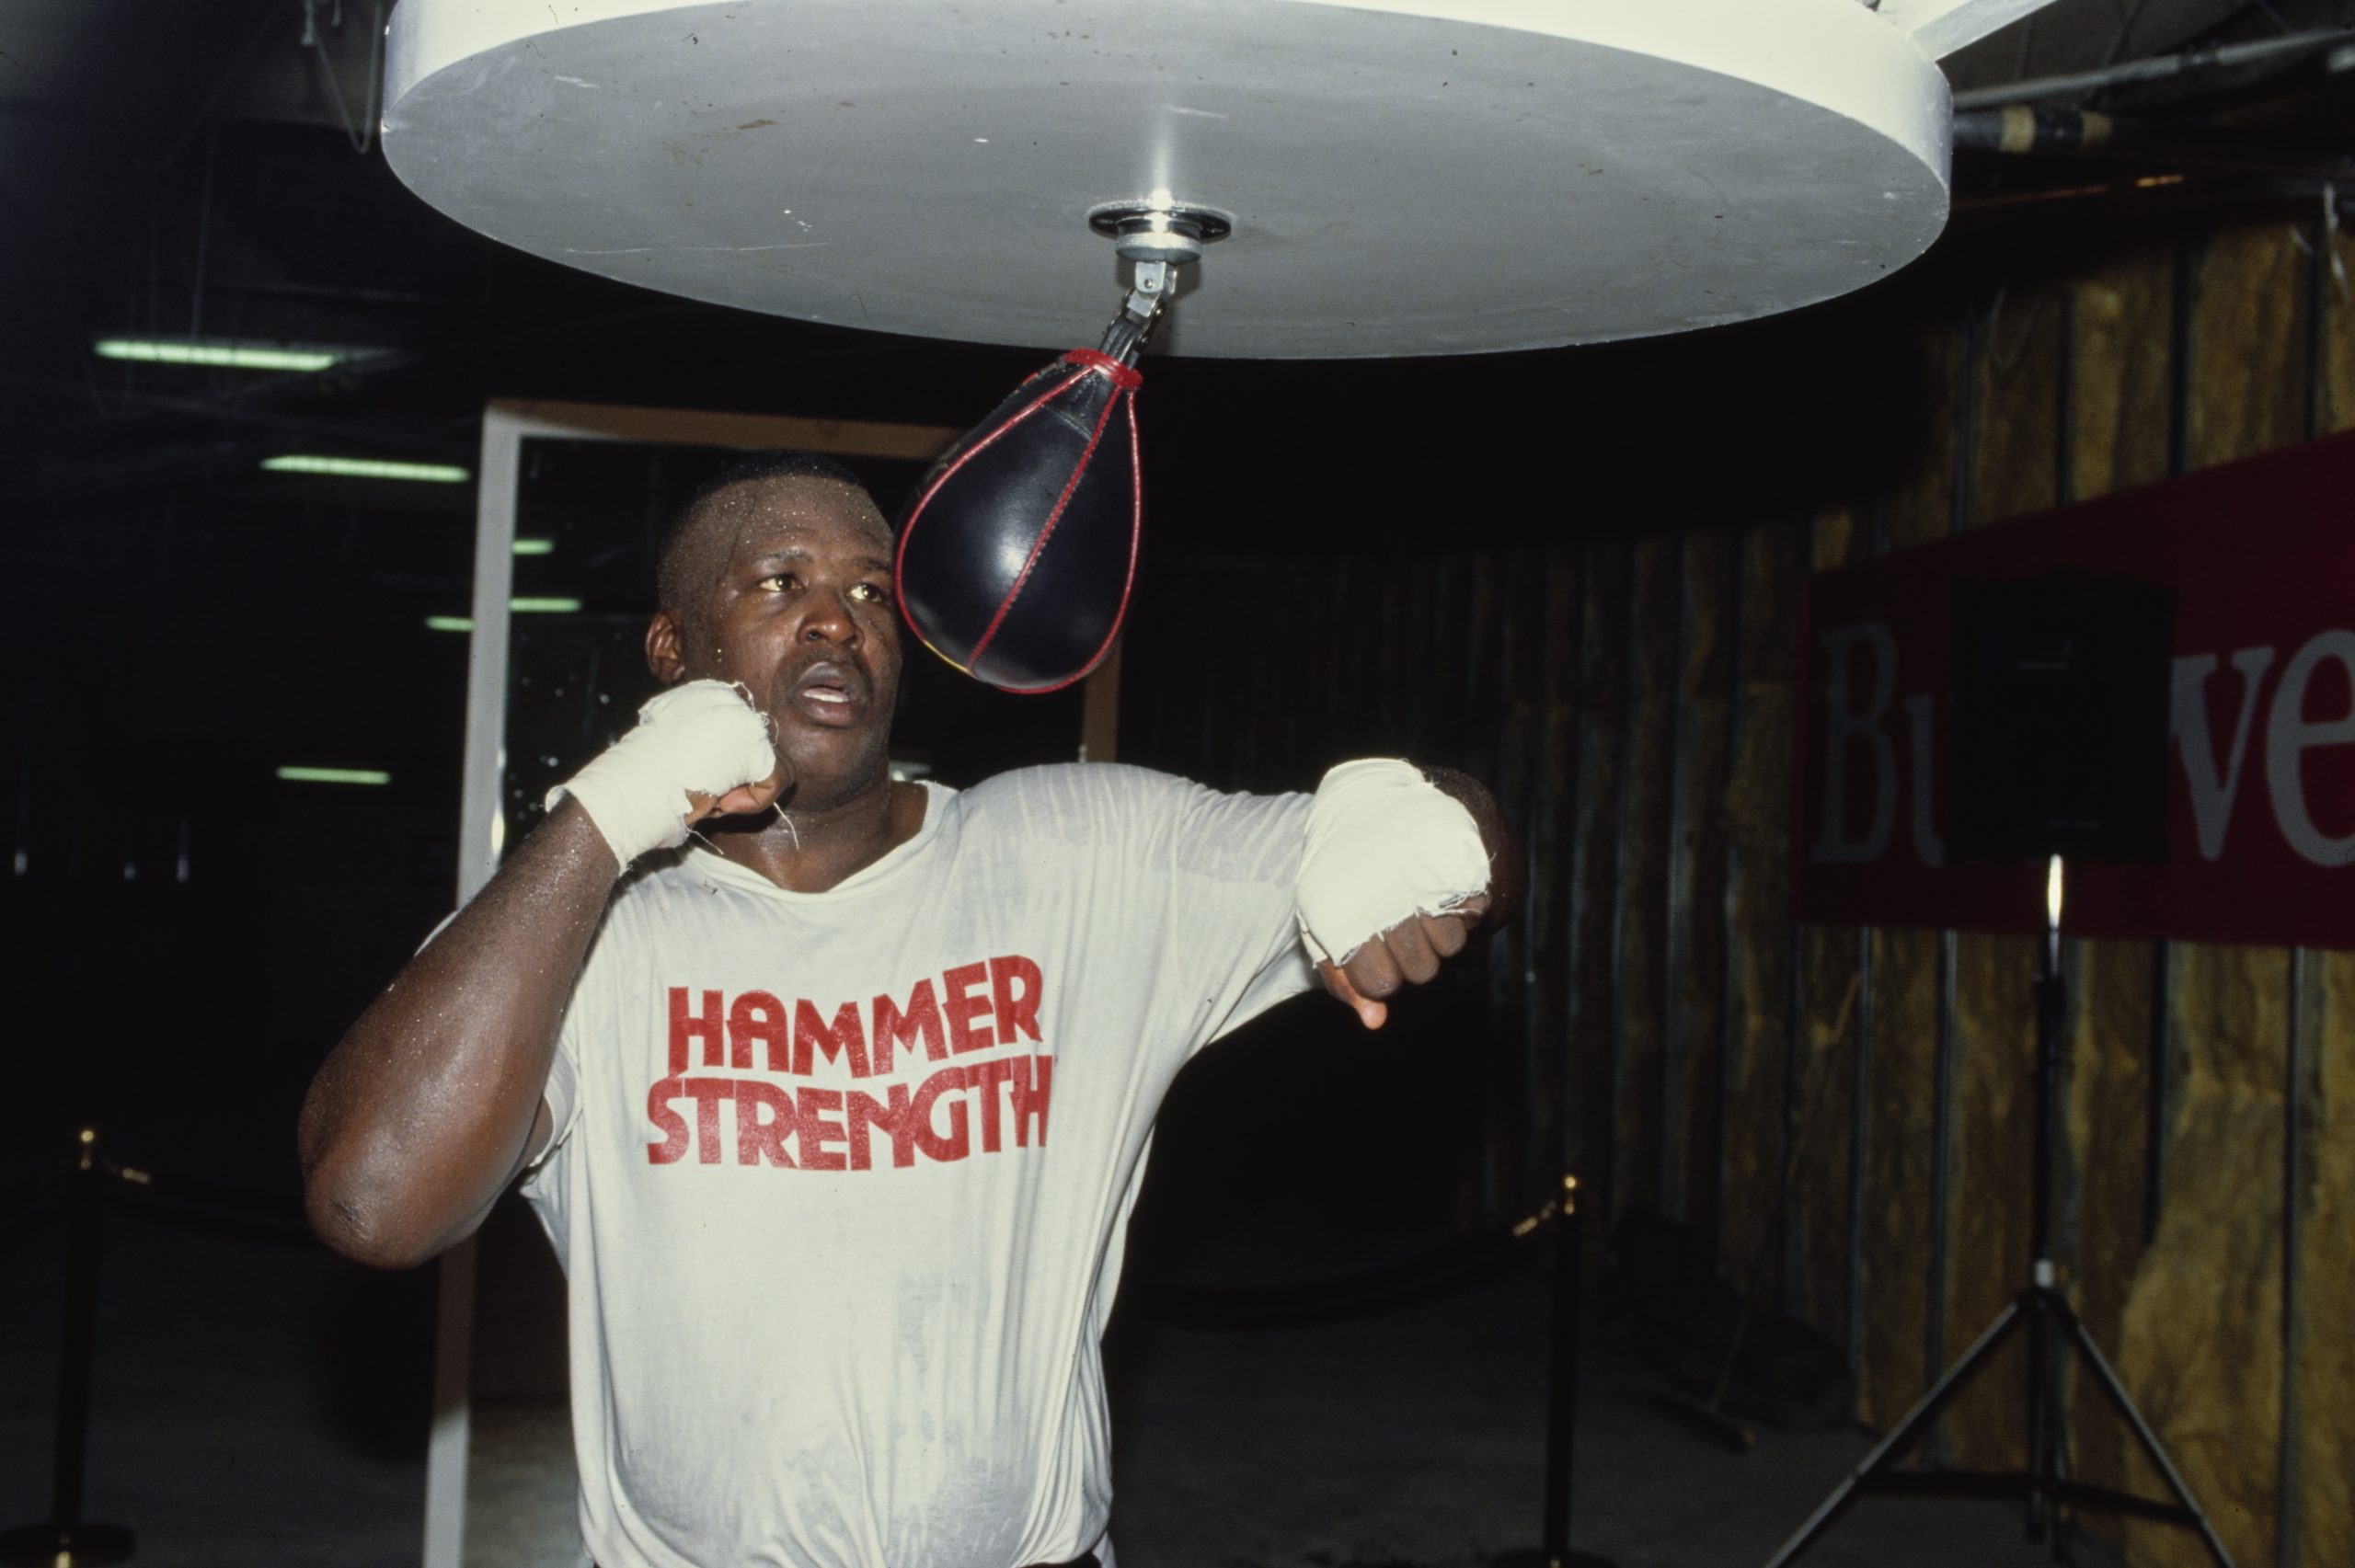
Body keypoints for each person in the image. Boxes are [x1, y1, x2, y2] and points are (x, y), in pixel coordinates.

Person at [299, 451, 1510, 1568]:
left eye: (873, 592)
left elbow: (1462, 834)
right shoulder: (587, 934)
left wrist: (1423, 832)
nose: (837, 618)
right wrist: (607, 813)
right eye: (780, 581)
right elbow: (372, 1198)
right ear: (674, 649)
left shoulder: (1076, 854)